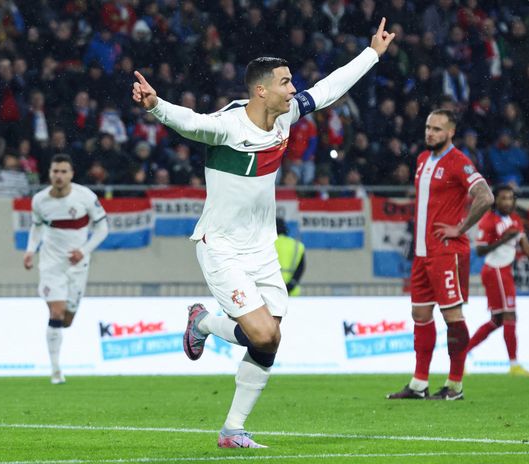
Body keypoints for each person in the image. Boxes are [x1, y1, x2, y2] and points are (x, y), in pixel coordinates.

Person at [133, 19, 396, 447]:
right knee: (260, 333)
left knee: (269, 341)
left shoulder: (285, 115)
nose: (294, 89)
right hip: (221, 247)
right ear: (261, 90)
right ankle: (201, 322)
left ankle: (232, 430)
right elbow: (191, 123)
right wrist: (155, 105)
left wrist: (372, 54)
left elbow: (329, 89)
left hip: (261, 249)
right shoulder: (229, 125)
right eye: (285, 82)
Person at [387, 109, 494, 401]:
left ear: (450, 133)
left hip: (447, 252)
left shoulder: (459, 162)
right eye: (427, 127)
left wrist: (460, 227)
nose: (430, 133)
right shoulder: (422, 159)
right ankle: (419, 384)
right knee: (420, 314)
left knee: (452, 315)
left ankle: (455, 385)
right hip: (422, 253)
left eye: (436, 129)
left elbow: (486, 196)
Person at [23, 154, 109, 384]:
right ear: (49, 174)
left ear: (71, 174)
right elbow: (36, 227)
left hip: (78, 264)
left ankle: (56, 363)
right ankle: (55, 370)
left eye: (63, 171)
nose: (59, 176)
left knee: (67, 320)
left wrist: (85, 250)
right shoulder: (40, 200)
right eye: (55, 171)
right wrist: (30, 250)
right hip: (51, 264)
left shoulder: (85, 197)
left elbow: (103, 229)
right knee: (56, 312)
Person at [466, 185, 529, 375]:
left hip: (504, 271)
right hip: (495, 270)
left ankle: (462, 354)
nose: (508, 202)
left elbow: (525, 245)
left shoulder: (515, 220)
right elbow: (480, 250)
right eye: (503, 198)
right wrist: (503, 240)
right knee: (510, 315)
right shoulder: (488, 220)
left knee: (497, 320)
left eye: (510, 198)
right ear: (496, 200)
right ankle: (514, 365)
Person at [275, 218, 306, 296]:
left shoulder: (267, 244)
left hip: (273, 290)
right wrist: (291, 284)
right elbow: (301, 268)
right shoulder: (297, 245)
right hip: (293, 292)